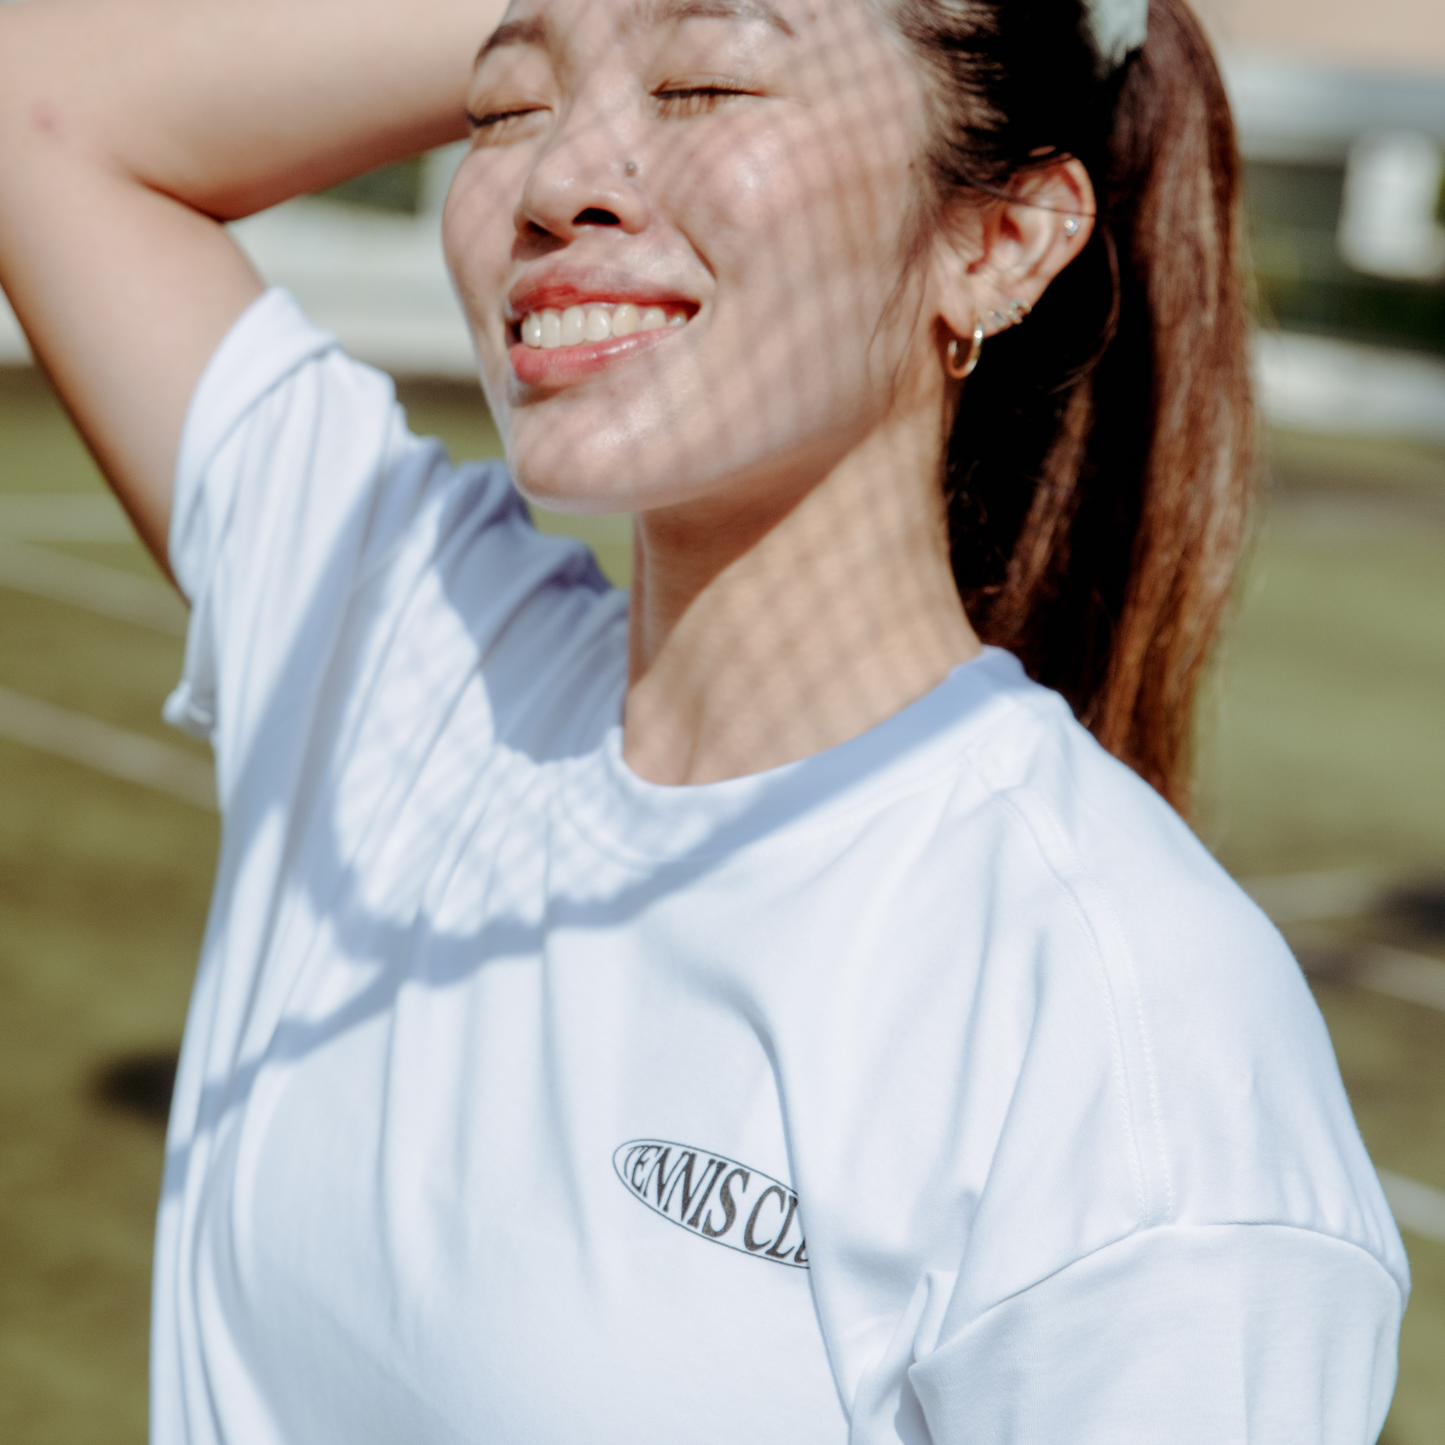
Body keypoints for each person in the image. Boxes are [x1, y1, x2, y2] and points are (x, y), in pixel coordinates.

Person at [0, 0, 1409, 1439]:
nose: (556, 180)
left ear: (999, 241)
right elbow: (36, 105)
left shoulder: (1127, 1044)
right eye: (508, 108)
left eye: (707, 84)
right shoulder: (404, 666)